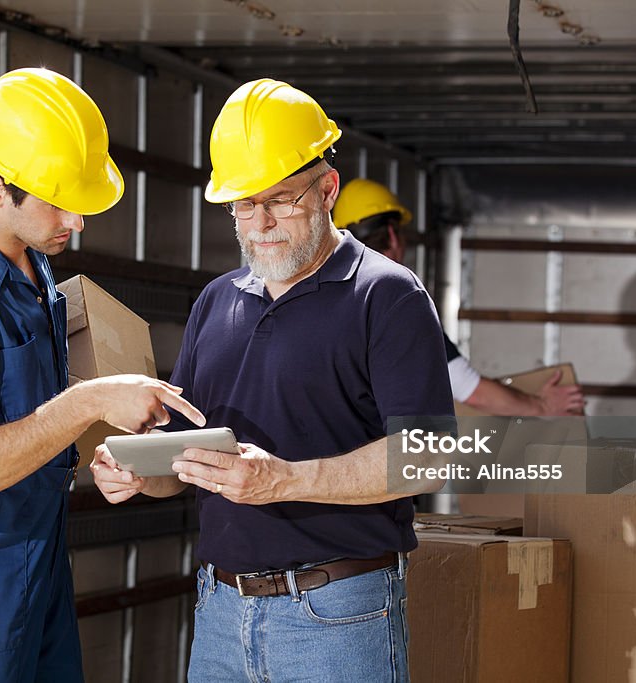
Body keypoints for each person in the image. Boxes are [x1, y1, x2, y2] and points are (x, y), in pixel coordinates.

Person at [90, 78, 453, 682]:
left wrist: (282, 480)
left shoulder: (386, 296)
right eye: (243, 204)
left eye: (281, 199)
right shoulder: (217, 300)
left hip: (337, 614)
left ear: (328, 187)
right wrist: (136, 473)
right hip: (220, 612)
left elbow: (430, 458)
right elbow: (186, 464)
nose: (260, 223)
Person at [0, 68, 204, 683]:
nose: (76, 221)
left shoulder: (29, 266)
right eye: (59, 201)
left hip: (39, 561)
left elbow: (30, 420)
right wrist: (86, 403)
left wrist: (103, 454)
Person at [334, 178, 585, 417]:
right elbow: (467, 388)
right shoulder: (396, 300)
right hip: (376, 451)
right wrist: (541, 405)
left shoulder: (327, 297)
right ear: (391, 234)